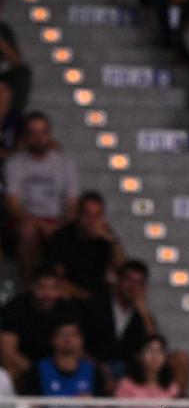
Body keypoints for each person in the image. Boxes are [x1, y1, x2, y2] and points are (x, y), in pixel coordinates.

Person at [5, 111, 79, 282]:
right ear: (25, 136)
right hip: (26, 220)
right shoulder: (15, 163)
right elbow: (13, 205)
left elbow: (72, 203)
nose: (39, 138)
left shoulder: (65, 162)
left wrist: (62, 224)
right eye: (33, 133)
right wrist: (40, 224)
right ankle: (29, 285)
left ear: (50, 134)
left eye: (43, 132)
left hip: (57, 220)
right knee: (28, 230)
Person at [0, 265, 80, 382]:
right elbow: (8, 354)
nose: (48, 294)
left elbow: (75, 347)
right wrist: (39, 373)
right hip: (25, 369)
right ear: (31, 287)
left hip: (58, 368)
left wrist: (54, 371)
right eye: (42, 288)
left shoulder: (67, 309)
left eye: (53, 288)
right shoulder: (15, 308)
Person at [81, 261, 159, 380]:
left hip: (128, 372)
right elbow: (80, 343)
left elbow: (154, 344)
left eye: (138, 283)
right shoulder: (96, 305)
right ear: (119, 280)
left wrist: (143, 311)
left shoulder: (142, 315)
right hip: (95, 366)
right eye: (129, 280)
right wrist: (98, 366)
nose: (132, 287)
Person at [43, 191, 126, 300]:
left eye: (97, 216)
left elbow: (124, 271)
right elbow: (57, 279)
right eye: (88, 214)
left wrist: (113, 242)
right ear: (78, 215)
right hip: (71, 297)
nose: (92, 221)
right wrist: (88, 298)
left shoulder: (105, 238)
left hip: (97, 295)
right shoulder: (62, 237)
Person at [115, 335, 181, 408]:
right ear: (140, 356)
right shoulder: (126, 384)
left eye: (159, 351)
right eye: (150, 351)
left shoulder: (171, 386)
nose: (155, 356)